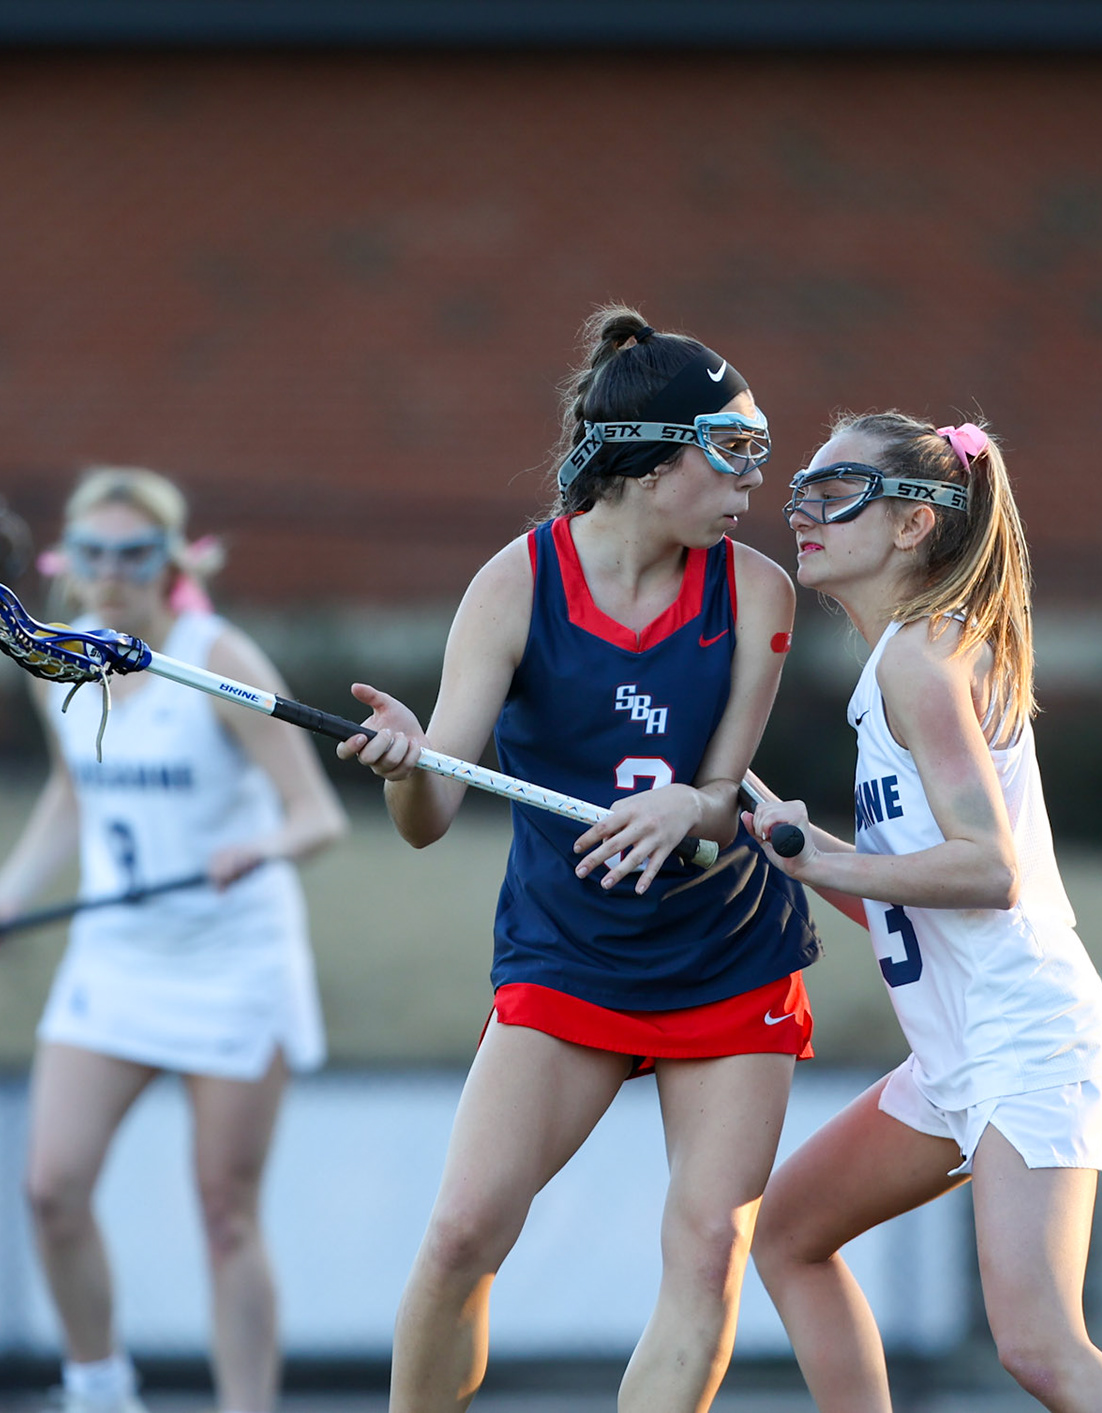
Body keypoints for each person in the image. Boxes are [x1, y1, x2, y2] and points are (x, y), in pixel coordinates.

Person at [340, 308, 820, 1413]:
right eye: (733, 449)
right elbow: (432, 815)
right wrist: (407, 766)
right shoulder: (514, 587)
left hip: (726, 957)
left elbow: (721, 793)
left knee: (706, 1253)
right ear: (652, 460)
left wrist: (693, 812)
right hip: (568, 956)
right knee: (463, 1232)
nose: (757, 478)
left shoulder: (756, 593)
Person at [742, 413, 1102, 1413]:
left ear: (911, 527)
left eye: (839, 490)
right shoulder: (907, 657)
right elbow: (918, 910)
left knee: (1042, 1348)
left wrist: (826, 855)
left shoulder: (920, 663)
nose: (805, 510)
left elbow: (987, 872)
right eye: (804, 484)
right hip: (959, 1056)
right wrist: (806, 855)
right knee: (791, 1234)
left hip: (1028, 1039)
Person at [0, 469, 349, 1413]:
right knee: (51, 1188)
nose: (113, 571)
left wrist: (260, 847)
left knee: (224, 1215)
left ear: (173, 561)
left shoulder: (218, 658)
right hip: (117, 962)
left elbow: (316, 817)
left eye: (134, 553)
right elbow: (70, 796)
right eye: (93, 553)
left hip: (232, 964)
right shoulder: (59, 665)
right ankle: (99, 1389)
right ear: (67, 564)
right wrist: (1, 898)